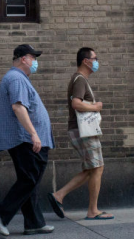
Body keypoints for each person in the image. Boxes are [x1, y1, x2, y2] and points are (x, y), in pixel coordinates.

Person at [0, 44, 56, 236]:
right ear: (23, 59)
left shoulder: (19, 79)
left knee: (30, 180)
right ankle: (1, 213)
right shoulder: (16, 79)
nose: (36, 61)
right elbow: (18, 108)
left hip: (26, 138)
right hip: (25, 139)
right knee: (30, 178)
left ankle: (34, 222)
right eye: (33, 57)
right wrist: (34, 134)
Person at [47, 47, 114, 221]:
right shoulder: (79, 80)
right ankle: (93, 210)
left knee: (91, 168)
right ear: (86, 61)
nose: (97, 61)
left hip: (81, 130)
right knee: (97, 167)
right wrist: (96, 106)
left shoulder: (80, 79)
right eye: (95, 58)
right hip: (83, 130)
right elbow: (76, 104)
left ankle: (59, 195)